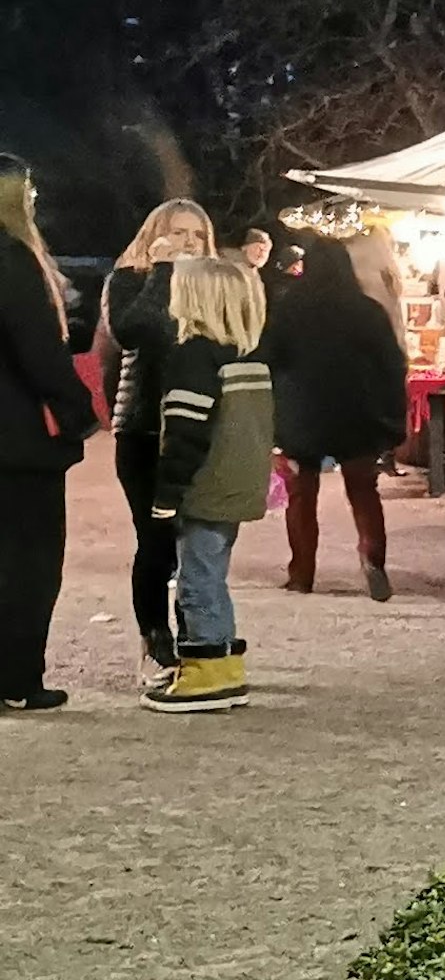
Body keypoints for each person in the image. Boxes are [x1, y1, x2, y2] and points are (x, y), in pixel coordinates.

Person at [144, 250, 273, 714]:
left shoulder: (194, 357)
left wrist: (165, 497)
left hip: (206, 486)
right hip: (238, 483)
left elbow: (185, 435)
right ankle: (224, 663)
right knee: (211, 575)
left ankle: (208, 669)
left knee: (197, 580)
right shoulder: (251, 356)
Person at [101, 197, 217, 681]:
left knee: (199, 539)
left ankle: (198, 639)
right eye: (179, 233)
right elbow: (133, 331)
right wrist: (164, 272)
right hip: (145, 427)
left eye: (196, 235)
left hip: (198, 422)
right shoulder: (130, 278)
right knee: (155, 540)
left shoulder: (215, 284)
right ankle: (155, 636)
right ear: (155, 235)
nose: (188, 242)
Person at [0, 154, 97, 713]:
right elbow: (38, 352)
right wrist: (77, 412)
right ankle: (16, 675)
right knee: (29, 560)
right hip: (16, 439)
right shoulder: (13, 261)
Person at [266, 230, 411, 598]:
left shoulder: (288, 307)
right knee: (363, 490)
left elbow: (269, 356)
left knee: (301, 495)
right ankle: (373, 559)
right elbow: (392, 364)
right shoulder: (367, 310)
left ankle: (302, 573)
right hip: (356, 415)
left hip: (302, 414)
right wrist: (390, 418)